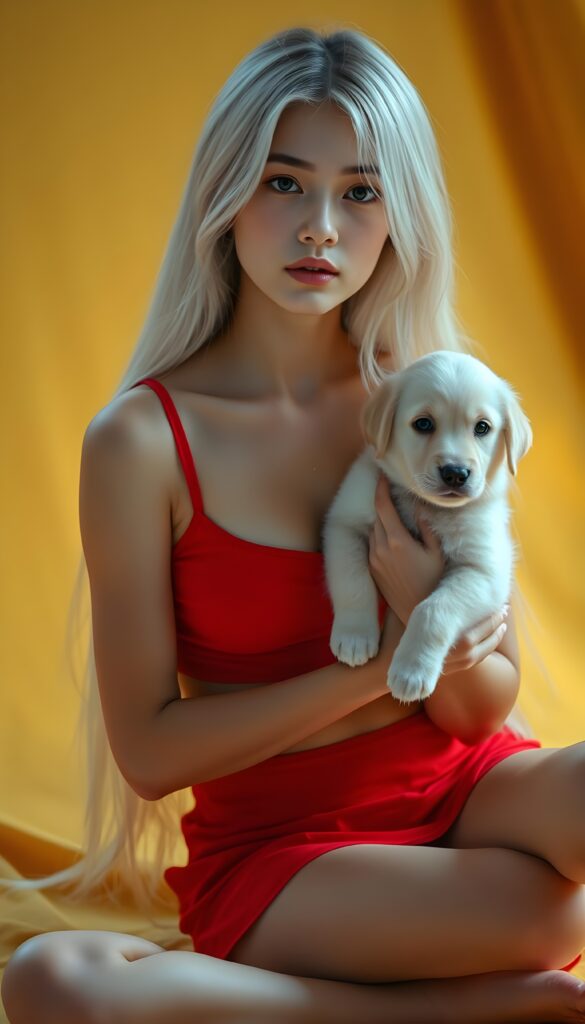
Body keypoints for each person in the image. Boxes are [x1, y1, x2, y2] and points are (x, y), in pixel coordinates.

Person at [2, 24, 585, 1024]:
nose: (321, 226)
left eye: (360, 191)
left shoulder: (426, 401)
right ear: (226, 193)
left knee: (556, 887)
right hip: (288, 850)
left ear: (399, 216)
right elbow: (149, 750)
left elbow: (483, 709)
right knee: (51, 985)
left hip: (467, 784)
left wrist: (427, 627)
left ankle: (446, 983)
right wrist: (376, 663)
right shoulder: (140, 441)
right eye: (284, 183)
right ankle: (439, 1006)